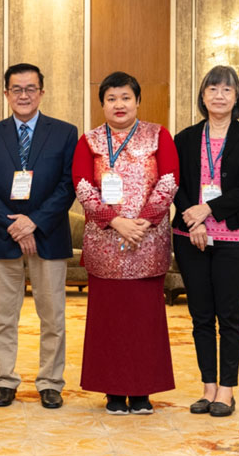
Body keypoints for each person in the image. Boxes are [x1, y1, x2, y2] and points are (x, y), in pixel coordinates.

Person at [71, 71, 179, 415]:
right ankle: (114, 391)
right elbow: (82, 185)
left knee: (145, 321)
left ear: (137, 101)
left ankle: (142, 391)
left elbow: (169, 179)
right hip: (105, 242)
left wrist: (144, 221)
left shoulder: (158, 135)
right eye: (111, 99)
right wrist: (116, 221)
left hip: (148, 241)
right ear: (102, 104)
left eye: (125, 98)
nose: (119, 105)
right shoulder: (88, 140)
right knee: (109, 321)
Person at [0, 63, 77, 409]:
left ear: (42, 93)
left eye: (30, 88)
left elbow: (68, 186)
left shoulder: (64, 133)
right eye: (16, 89)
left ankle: (50, 382)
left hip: (48, 237)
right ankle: (5, 380)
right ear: (6, 94)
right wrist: (14, 226)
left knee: (53, 317)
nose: (23, 95)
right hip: (3, 239)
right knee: (3, 317)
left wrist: (33, 222)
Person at [172, 65, 239, 418]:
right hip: (189, 237)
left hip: (233, 237)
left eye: (227, 90)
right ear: (203, 96)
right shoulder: (185, 137)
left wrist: (205, 210)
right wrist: (191, 220)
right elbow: (175, 185)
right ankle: (208, 387)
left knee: (229, 316)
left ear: (237, 96)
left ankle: (227, 390)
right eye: (212, 89)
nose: (219, 95)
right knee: (200, 316)